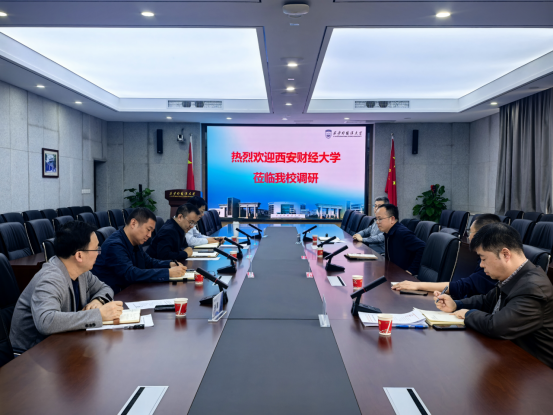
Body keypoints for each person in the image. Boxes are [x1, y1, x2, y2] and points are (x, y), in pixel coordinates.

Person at [435, 223, 553, 368]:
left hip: (536, 371)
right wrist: (456, 304)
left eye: (483, 259)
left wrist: (467, 314)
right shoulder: (514, 277)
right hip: (509, 356)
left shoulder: (534, 287)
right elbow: (486, 301)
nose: (481, 265)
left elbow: (497, 326)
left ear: (505, 254)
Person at [10, 221, 123, 353]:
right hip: (31, 354)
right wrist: (98, 315)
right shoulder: (50, 278)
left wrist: (98, 301)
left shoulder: (82, 272)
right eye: (96, 249)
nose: (99, 253)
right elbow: (46, 322)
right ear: (79, 255)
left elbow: (105, 288)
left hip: (61, 344)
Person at [392, 214, 500, 298]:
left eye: (469, 232)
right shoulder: (483, 259)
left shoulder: (493, 264)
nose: (467, 236)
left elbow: (464, 286)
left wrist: (418, 285)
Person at [92, 207, 187, 294]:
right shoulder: (115, 245)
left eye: (151, 232)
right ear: (133, 223)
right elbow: (130, 274)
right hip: (114, 296)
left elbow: (148, 262)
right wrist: (168, 273)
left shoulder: (135, 241)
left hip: (129, 291)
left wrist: (169, 264)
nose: (149, 235)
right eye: (148, 230)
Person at [377, 204, 426, 275]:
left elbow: (423, 247)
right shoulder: (388, 232)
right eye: (376, 219)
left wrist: (411, 271)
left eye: (380, 219)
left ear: (392, 219)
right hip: (392, 272)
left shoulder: (402, 233)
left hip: (402, 276)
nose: (377, 222)